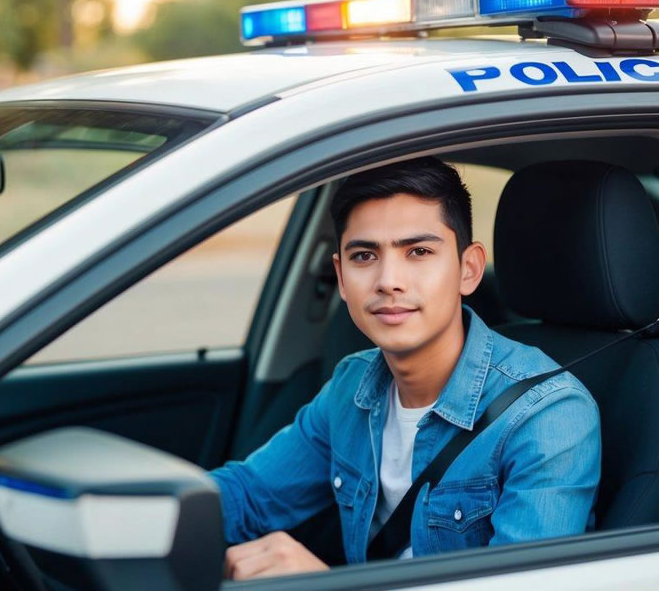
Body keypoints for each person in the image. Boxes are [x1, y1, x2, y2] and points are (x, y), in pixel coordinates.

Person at [212, 157, 601, 580]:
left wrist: (324, 585)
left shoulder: (547, 416)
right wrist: (159, 511)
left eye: (418, 252)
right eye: (364, 255)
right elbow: (247, 497)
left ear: (468, 269)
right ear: (341, 278)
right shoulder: (350, 387)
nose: (388, 280)